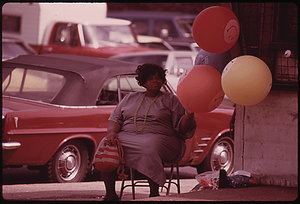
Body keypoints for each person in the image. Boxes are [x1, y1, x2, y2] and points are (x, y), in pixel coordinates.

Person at [100, 63, 197, 201]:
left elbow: (182, 129)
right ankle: (110, 194)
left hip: (164, 140)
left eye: (158, 78)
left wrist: (189, 114)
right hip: (128, 137)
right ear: (143, 81)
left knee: (149, 146)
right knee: (106, 143)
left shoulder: (171, 100)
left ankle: (154, 194)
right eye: (150, 78)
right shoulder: (130, 98)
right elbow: (115, 119)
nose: (155, 81)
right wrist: (111, 133)